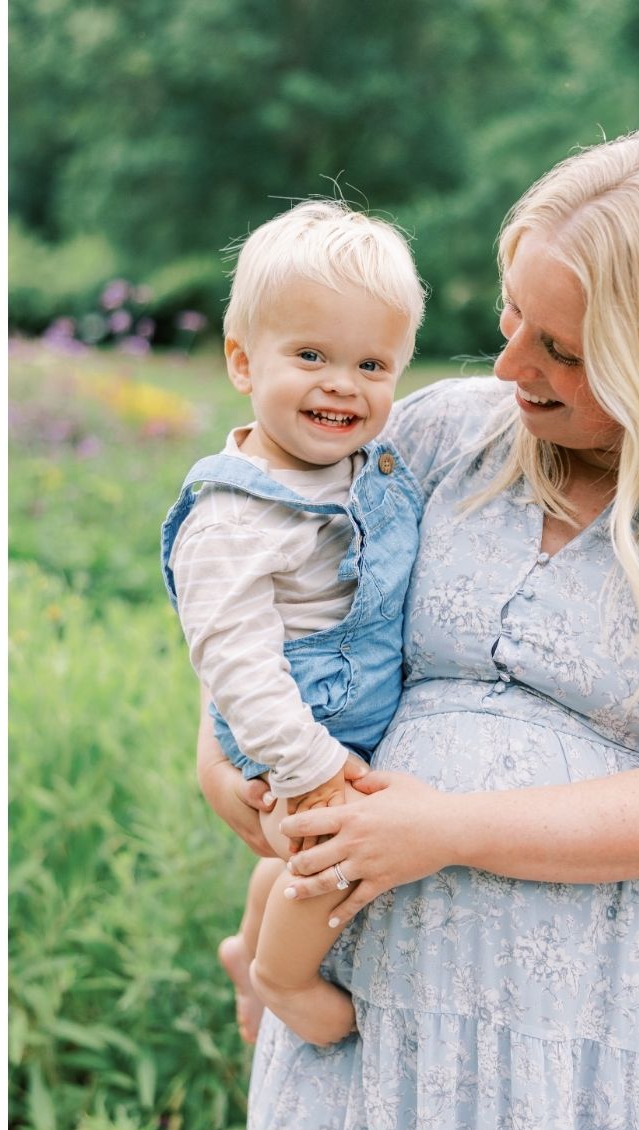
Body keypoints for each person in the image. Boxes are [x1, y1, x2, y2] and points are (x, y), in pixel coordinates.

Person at [198, 126, 639, 1130]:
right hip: (371, 1012)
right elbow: (276, 618)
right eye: (508, 318)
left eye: (560, 352)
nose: (506, 365)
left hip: (594, 1023)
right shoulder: (441, 439)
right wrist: (234, 778)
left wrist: (446, 830)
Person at [161, 201, 425, 1046]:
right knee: (328, 852)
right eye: (310, 355)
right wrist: (310, 768)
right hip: (296, 725)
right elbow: (234, 666)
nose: (342, 383)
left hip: (343, 705)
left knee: (287, 859)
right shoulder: (233, 519)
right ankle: (282, 976)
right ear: (242, 360)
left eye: (372, 363)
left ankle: (248, 947)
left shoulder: (357, 469)